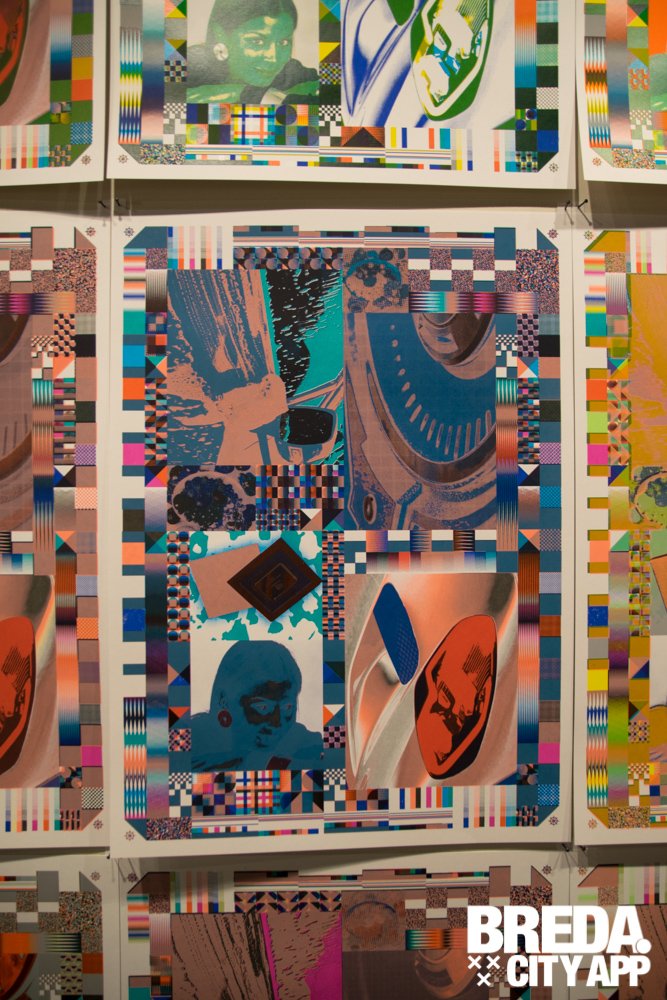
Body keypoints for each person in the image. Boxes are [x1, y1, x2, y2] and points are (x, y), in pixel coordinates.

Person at [185, 640, 322, 772]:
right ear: (224, 701)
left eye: (287, 707)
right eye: (262, 708)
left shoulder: (306, 744)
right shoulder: (188, 743)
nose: (276, 722)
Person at [187, 0, 318, 105]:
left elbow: (325, 109)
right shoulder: (186, 66)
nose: (273, 57)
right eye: (257, 41)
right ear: (220, 34)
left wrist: (243, 93)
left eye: (283, 42)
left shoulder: (296, 75)